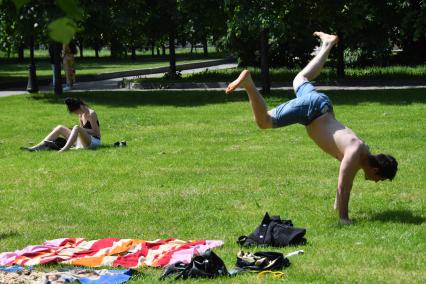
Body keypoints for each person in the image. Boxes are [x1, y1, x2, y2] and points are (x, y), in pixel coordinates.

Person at [225, 32, 398, 225]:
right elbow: (344, 186)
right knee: (264, 121)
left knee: (300, 78)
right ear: (375, 170)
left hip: (321, 107)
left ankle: (328, 44)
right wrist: (343, 218)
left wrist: (336, 205)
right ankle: (249, 84)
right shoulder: (356, 152)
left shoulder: (361, 154)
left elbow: (344, 179)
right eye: (379, 179)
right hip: (312, 112)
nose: (376, 182)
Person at [24, 97, 101, 153]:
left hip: (94, 141)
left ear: (80, 107)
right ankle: (38, 147)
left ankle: (64, 149)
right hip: (83, 140)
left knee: (76, 127)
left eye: (75, 111)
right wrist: (73, 129)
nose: (76, 114)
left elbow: (96, 132)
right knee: (60, 127)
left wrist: (77, 129)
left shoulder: (91, 114)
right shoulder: (81, 115)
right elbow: (81, 130)